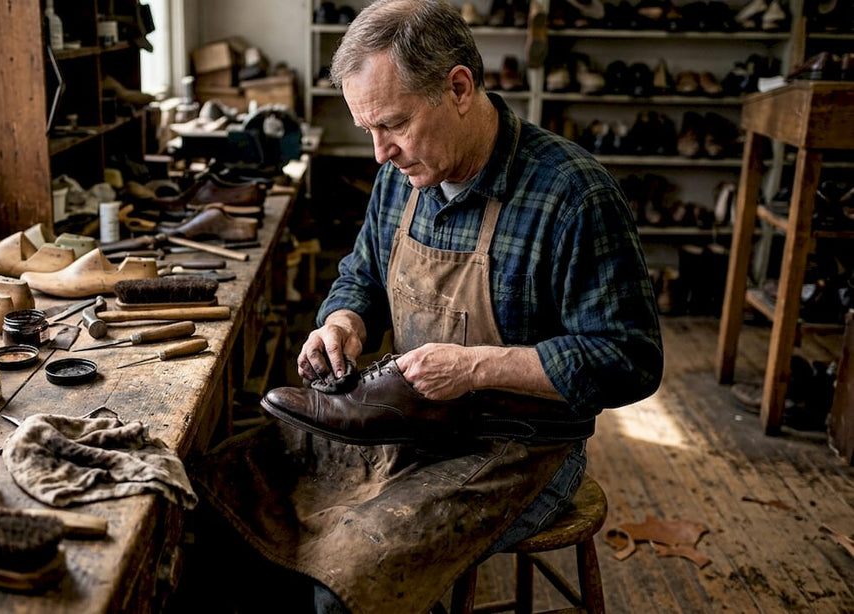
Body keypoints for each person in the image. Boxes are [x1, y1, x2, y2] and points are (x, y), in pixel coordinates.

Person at [191, 1, 663, 612]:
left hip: (518, 450)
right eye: (369, 131)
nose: (380, 153)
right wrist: (343, 322)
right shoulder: (400, 176)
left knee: (345, 579)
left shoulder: (573, 195)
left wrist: (475, 368)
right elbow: (360, 274)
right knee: (220, 488)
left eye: (393, 124)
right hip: (406, 423)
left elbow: (629, 359)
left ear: (459, 87)